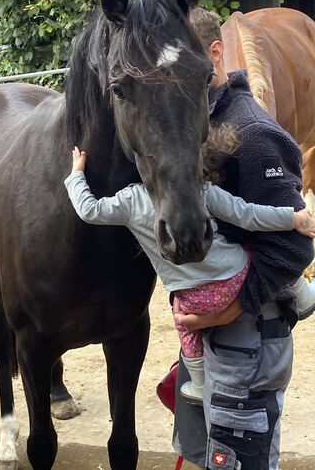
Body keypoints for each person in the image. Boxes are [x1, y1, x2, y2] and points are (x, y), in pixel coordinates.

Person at [170, 7, 315, 470]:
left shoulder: (252, 134)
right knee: (216, 452)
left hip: (251, 333)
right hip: (224, 335)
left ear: (215, 54)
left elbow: (295, 245)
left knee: (240, 459)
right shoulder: (198, 123)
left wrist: (230, 308)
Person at [64, 139, 315, 405]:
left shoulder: (130, 201)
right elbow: (246, 214)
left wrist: (76, 174)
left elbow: (89, 210)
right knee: (260, 249)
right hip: (237, 278)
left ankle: (198, 382)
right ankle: (300, 292)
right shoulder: (201, 188)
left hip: (194, 300)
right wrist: (292, 218)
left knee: (183, 323)